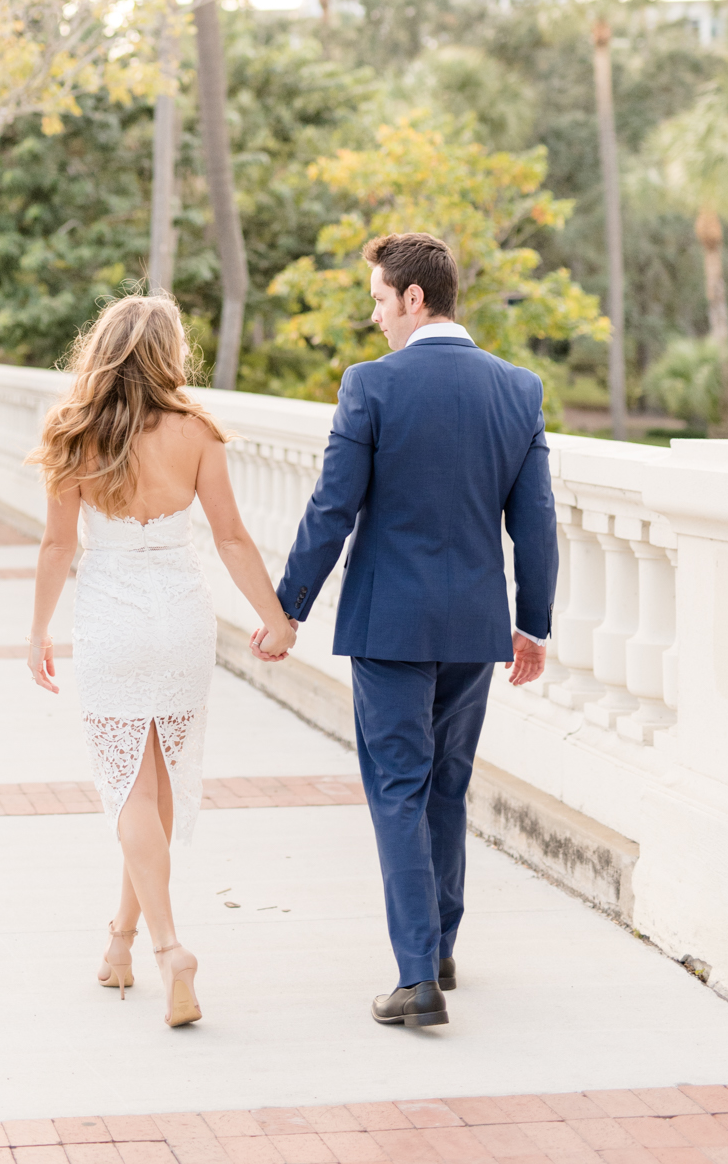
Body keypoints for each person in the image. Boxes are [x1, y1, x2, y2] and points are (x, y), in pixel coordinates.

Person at [253, 231, 557, 1031]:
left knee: (398, 788)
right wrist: (533, 624)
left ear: (414, 298)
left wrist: (288, 607)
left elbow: (331, 508)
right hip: (473, 627)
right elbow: (537, 526)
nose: (376, 318)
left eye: (380, 301)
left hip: (390, 625)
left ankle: (416, 976)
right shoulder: (517, 390)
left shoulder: (370, 387)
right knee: (445, 786)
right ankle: (442, 947)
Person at [27, 293, 296, 1030]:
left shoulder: (71, 431)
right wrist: (275, 620)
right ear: (169, 354)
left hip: (111, 622)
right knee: (158, 781)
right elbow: (233, 538)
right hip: (179, 616)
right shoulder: (197, 431)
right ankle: (119, 942)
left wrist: (37, 631)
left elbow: (57, 546)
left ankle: (169, 946)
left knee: (128, 793)